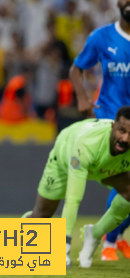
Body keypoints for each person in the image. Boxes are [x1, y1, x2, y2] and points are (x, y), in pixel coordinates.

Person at [70, 0, 130, 261]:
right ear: (118, 2)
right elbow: (76, 69)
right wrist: (82, 99)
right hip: (110, 119)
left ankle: (110, 236)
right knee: (120, 176)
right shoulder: (102, 36)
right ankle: (108, 241)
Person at [25, 107, 130, 268]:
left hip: (106, 166)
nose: (125, 138)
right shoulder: (86, 144)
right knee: (41, 216)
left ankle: (94, 235)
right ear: (112, 126)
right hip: (66, 156)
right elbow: (73, 199)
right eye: (121, 130)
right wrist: (64, 247)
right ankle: (17, 237)